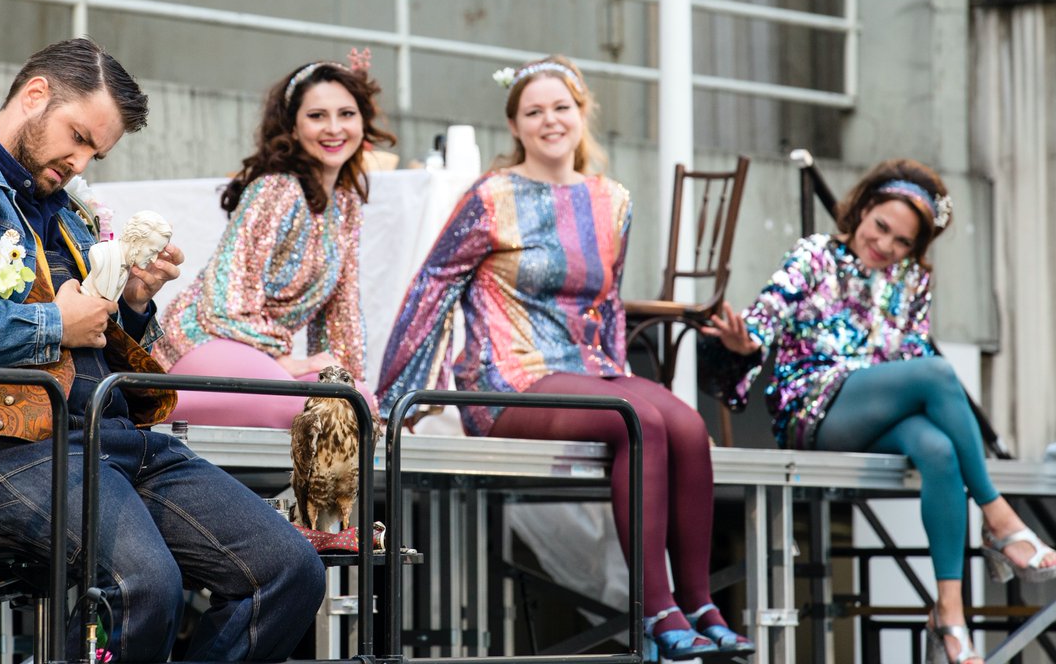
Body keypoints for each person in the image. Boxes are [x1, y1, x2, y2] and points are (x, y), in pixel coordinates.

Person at [0, 38, 324, 662]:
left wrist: (132, 302)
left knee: (289, 570)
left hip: (115, 439)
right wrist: (55, 324)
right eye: (77, 138)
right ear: (35, 94)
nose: (79, 162)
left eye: (94, 153)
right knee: (143, 585)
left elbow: (99, 343)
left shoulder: (73, 211)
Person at [378, 55, 753, 661]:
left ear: (582, 114)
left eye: (561, 107)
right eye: (534, 111)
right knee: (638, 420)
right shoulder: (492, 196)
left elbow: (610, 305)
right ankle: (655, 607)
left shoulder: (612, 200)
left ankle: (699, 601)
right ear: (515, 125)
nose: (549, 120)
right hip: (507, 379)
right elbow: (431, 288)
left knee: (686, 424)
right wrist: (397, 398)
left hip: (587, 370)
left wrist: (620, 374)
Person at [704, 158, 1056, 664]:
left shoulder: (912, 280)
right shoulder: (815, 254)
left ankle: (949, 615)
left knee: (938, 449)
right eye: (881, 226)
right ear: (863, 209)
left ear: (914, 248)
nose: (885, 245)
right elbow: (764, 318)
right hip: (811, 408)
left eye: (902, 241)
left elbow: (910, 356)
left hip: (876, 411)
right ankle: (999, 518)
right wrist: (745, 343)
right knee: (938, 374)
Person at [153, 50, 394, 428]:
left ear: (362, 122)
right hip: (202, 342)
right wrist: (284, 360)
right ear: (293, 127)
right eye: (317, 116)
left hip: (258, 357)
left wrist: (346, 374)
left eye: (346, 114)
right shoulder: (276, 189)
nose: (334, 128)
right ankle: (151, 405)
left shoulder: (345, 206)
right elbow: (225, 304)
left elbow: (341, 315)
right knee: (309, 409)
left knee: (356, 403)